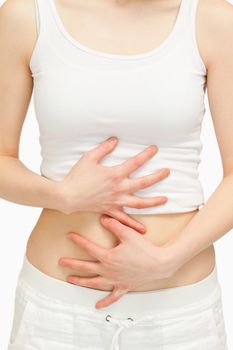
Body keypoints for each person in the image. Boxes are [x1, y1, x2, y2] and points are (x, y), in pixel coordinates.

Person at [0, 0, 232, 349]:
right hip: (57, 317)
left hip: (180, 316)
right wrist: (62, 196)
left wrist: (166, 260)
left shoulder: (214, 19)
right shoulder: (25, 15)